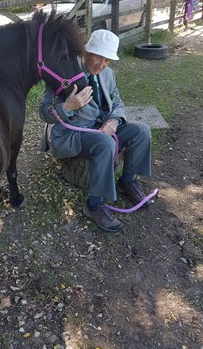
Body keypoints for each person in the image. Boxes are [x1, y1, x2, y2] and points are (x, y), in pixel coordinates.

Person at [39, 29, 152, 233]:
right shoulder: (65, 71)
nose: (102, 64)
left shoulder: (107, 73)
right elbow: (43, 112)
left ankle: (127, 181)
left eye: (107, 60)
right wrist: (67, 107)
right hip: (74, 133)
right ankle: (94, 204)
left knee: (141, 131)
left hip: (101, 126)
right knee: (105, 144)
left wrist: (115, 121)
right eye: (98, 56)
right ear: (86, 51)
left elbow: (117, 101)